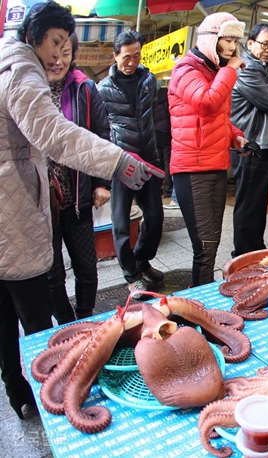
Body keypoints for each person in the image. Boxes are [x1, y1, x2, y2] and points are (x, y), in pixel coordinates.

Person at [0, 1, 163, 420]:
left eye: (65, 44)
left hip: (12, 208)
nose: (58, 53)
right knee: (34, 314)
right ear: (33, 37)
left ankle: (20, 390)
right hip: (12, 213)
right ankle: (54, 392)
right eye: (54, 42)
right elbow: (54, 132)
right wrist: (117, 162)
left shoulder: (12, 63)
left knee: (8, 309)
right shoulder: (21, 69)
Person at [168, 13, 248, 286]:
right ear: (210, 39)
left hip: (216, 165)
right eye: (227, 40)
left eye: (235, 41)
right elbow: (207, 103)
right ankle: (198, 306)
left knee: (211, 242)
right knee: (204, 246)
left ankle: (201, 297)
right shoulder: (185, 70)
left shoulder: (213, 71)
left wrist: (236, 137)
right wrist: (231, 70)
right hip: (193, 169)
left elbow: (216, 120)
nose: (232, 47)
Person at [45, 33, 111, 324]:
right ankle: (65, 322)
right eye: (52, 52)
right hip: (42, 200)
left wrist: (101, 182)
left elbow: (101, 136)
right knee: (52, 273)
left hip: (78, 195)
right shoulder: (28, 89)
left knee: (86, 266)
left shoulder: (84, 88)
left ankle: (84, 317)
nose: (58, 60)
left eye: (66, 52)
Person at [99, 30, 165, 295]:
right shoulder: (103, 88)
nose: (131, 62)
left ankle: (141, 260)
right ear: (115, 56)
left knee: (155, 218)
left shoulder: (150, 81)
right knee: (121, 223)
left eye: (136, 56)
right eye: (126, 57)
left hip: (148, 160)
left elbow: (158, 118)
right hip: (120, 163)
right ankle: (131, 276)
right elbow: (101, 131)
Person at [230, 23, 268, 257]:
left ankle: (255, 249)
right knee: (249, 203)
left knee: (257, 203)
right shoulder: (246, 68)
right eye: (264, 43)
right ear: (250, 43)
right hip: (251, 142)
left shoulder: (265, 68)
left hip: (264, 142)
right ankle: (244, 253)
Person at [154, 86, 174, 201]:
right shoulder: (167, 102)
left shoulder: (154, 102)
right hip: (166, 134)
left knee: (159, 163)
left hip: (155, 134)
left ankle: (157, 188)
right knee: (168, 163)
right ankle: (168, 190)